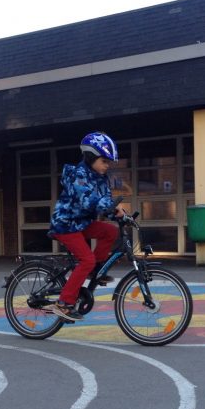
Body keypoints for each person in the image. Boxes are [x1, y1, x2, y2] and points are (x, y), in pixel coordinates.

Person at [45, 131, 122, 322]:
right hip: (65, 224)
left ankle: (96, 270)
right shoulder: (77, 175)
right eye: (104, 161)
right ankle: (63, 304)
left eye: (108, 162)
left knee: (110, 231)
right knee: (85, 260)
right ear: (91, 157)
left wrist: (119, 212)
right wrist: (109, 207)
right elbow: (87, 200)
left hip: (82, 223)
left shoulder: (101, 177)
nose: (107, 165)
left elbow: (105, 199)